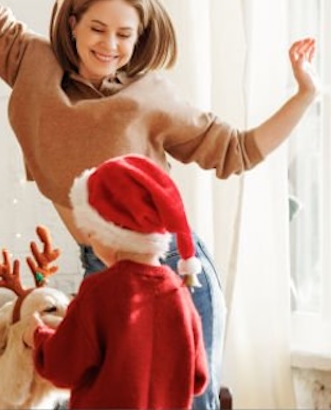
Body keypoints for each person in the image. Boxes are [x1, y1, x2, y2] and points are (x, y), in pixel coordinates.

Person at [0, 0, 318, 409]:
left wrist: (304, 95)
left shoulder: (152, 95)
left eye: (125, 33)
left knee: (185, 400)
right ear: (72, 24)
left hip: (172, 269)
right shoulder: (31, 64)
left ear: (139, 36)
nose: (110, 44)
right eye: (97, 28)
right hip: (100, 264)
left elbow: (237, 151)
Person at [26, 154, 209, 409]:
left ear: (107, 234)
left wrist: (38, 337)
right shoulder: (179, 294)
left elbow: (63, 367)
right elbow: (198, 379)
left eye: (90, 231)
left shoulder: (99, 292)